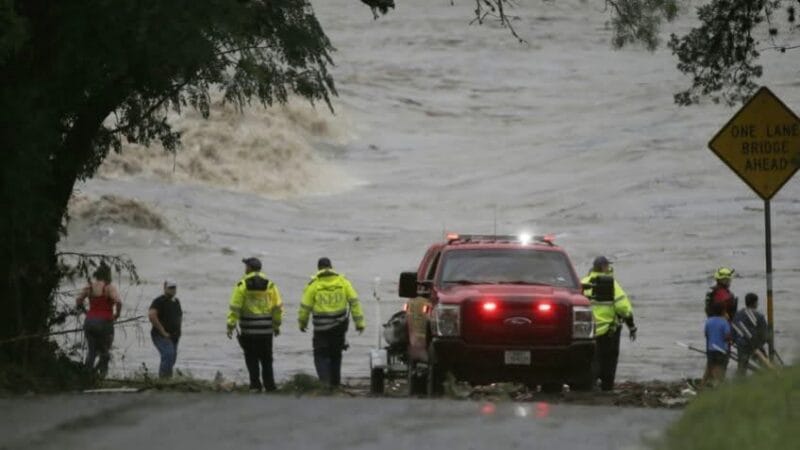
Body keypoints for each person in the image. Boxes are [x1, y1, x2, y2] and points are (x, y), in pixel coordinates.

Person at [298, 257, 365, 388]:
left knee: (320, 355)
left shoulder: (314, 285)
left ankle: (324, 383)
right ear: (331, 267)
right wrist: (359, 323)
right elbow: (354, 302)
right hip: (339, 327)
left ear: (318, 268)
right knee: (336, 355)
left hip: (321, 328)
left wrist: (302, 323)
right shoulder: (343, 282)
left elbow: (305, 307)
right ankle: (335, 384)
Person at [227, 257, 283, 392]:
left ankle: (255, 385)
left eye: (246, 266)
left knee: (251, 357)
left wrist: (231, 325)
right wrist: (276, 326)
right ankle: (270, 386)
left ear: (250, 268)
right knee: (267, 359)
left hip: (249, 330)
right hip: (266, 329)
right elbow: (277, 307)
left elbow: (235, 307)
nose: (245, 268)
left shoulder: (242, 285)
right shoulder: (270, 285)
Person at [581, 256, 636, 391]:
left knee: (590, 361)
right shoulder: (611, 284)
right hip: (608, 331)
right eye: (607, 266)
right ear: (604, 267)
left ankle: (587, 385)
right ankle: (607, 387)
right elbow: (623, 308)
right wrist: (632, 326)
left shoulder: (583, 283)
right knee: (609, 361)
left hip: (586, 331)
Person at [75, 263, 122, 377]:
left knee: (91, 352)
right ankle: (100, 376)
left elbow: (78, 300)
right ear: (108, 275)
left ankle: (87, 376)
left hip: (89, 322)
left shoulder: (90, 287)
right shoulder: (109, 287)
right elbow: (119, 302)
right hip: (104, 324)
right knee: (105, 353)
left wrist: (86, 312)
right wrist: (117, 315)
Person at [149, 280, 183, 378]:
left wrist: (179, 330)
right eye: (170, 288)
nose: (172, 290)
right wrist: (163, 331)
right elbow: (152, 315)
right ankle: (163, 380)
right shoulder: (159, 301)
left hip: (174, 336)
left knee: (172, 358)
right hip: (160, 335)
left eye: (174, 288)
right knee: (168, 354)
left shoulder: (176, 301)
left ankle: (168, 379)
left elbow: (179, 316)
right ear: (165, 288)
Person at [731, 292, 768, 376]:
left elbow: (734, 328)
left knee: (742, 366)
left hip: (742, 344)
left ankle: (740, 383)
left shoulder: (738, 314)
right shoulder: (759, 315)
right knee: (764, 363)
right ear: (755, 303)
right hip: (754, 344)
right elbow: (764, 333)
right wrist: (761, 343)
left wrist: (734, 340)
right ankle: (768, 378)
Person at [702, 301, 732, 387]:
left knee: (709, 368)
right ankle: (719, 387)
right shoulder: (724, 322)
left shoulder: (709, 321)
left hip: (711, 349)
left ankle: (701, 388)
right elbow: (727, 337)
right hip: (721, 349)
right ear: (723, 311)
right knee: (719, 370)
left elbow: (706, 335)